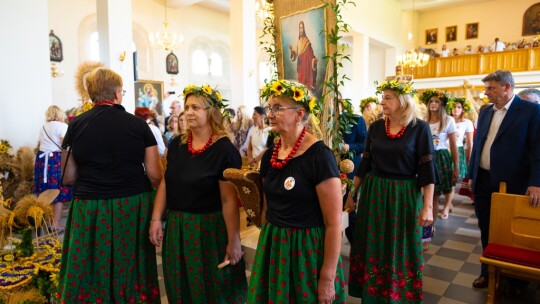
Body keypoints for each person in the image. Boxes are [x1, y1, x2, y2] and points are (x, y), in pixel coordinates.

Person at [58, 67, 163, 303]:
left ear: (92, 94)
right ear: (117, 93)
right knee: (131, 264)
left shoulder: (75, 126)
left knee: (90, 264)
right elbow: (156, 174)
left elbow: (69, 176)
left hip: (89, 207)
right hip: (132, 205)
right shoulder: (139, 125)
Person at [247, 79, 345, 303]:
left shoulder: (320, 156)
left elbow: (334, 223)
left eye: (277, 108)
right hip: (274, 245)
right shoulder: (271, 155)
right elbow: (267, 206)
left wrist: (327, 277)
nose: (270, 114)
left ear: (299, 113)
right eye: (270, 107)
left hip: (307, 250)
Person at [149, 84, 247, 302]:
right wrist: (156, 218)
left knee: (212, 288)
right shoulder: (176, 145)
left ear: (210, 112)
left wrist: (234, 240)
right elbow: (166, 183)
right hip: (176, 227)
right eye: (187, 107)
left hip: (208, 230)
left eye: (196, 107)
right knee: (180, 285)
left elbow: (228, 200)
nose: (189, 112)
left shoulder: (225, 151)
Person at [346, 79, 437, 303]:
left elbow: (427, 170)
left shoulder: (419, 128)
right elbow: (365, 163)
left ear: (403, 101)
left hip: (405, 195)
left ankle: (400, 295)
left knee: (402, 246)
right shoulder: (376, 127)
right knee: (374, 245)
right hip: (375, 193)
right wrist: (352, 193)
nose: (382, 102)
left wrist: (428, 207)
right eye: (382, 97)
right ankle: (373, 294)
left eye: (387, 97)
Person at [468, 70, 540, 290]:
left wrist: (536, 182)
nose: (486, 92)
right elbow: (479, 144)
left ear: (507, 87)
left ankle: (515, 279)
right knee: (486, 227)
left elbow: (537, 149)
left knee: (511, 230)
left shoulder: (531, 111)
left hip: (514, 182)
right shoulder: (485, 111)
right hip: (483, 179)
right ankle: (487, 273)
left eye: (491, 88)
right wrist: (472, 175)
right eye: (486, 88)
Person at [420, 89, 459, 223]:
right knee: (421, 196)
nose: (433, 104)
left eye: (437, 101)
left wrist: (456, 166)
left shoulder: (449, 120)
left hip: (440, 157)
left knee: (434, 196)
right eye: (431, 101)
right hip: (423, 157)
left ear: (442, 104)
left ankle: (430, 226)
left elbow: (453, 145)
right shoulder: (423, 120)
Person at [33, 105, 71, 231]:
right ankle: (55, 223)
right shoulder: (61, 126)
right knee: (58, 190)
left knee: (45, 191)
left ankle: (45, 221)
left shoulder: (43, 127)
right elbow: (65, 144)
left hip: (42, 161)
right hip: (55, 161)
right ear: (59, 114)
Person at [341, 100, 367, 245]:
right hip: (331, 166)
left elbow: (364, 144)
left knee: (349, 207)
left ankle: (358, 246)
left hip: (350, 168)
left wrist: (349, 146)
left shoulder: (357, 119)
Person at [446, 97, 474, 202]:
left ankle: (448, 204)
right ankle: (448, 202)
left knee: (452, 178)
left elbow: (469, 142)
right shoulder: (446, 120)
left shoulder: (467, 123)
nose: (456, 109)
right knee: (445, 177)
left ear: (463, 109)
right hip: (445, 150)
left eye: (459, 107)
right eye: (453, 107)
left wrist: (469, 157)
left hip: (458, 150)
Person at [288, 21, 318, 91]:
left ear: (304, 29)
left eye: (302, 28)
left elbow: (311, 55)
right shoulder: (298, 41)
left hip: (307, 67)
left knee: (307, 87)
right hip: (300, 66)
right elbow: (295, 55)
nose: (301, 30)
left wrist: (314, 60)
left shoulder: (307, 41)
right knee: (301, 86)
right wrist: (291, 51)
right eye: (299, 28)